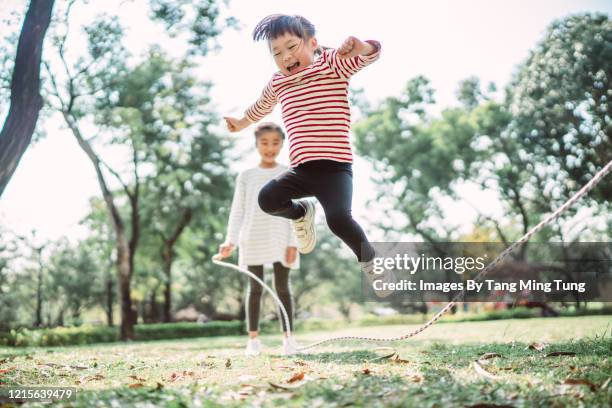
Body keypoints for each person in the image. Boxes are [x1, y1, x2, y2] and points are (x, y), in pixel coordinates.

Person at [223, 14, 394, 297]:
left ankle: (371, 262)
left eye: (291, 47)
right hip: (302, 169)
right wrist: (241, 123)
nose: (285, 56)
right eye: (277, 52)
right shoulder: (278, 83)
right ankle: (301, 212)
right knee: (267, 198)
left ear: (312, 43)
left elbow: (369, 56)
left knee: (339, 219)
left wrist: (360, 47)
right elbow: (261, 106)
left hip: (336, 169)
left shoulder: (330, 64)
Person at [218, 122, 300, 356]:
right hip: (252, 236)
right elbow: (238, 210)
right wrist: (230, 241)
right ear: (256, 144)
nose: (270, 148)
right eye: (264, 143)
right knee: (255, 288)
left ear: (283, 144)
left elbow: (298, 208)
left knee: (283, 288)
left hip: (281, 235)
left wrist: (294, 242)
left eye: (275, 143)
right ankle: (253, 340)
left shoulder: (288, 172)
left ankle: (289, 340)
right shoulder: (246, 175)